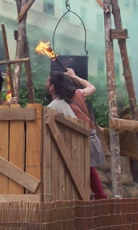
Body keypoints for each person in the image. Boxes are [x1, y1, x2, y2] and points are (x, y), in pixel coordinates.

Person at [45, 68, 107, 200]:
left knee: (84, 172)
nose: (45, 83)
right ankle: (99, 197)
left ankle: (100, 198)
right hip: (89, 139)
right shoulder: (77, 93)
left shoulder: (53, 106)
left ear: (51, 87)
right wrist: (75, 76)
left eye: (47, 81)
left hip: (80, 142)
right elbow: (91, 87)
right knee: (88, 172)